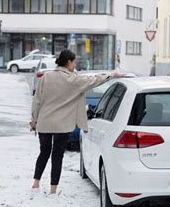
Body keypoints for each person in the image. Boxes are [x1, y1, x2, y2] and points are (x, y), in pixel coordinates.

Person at [30, 49, 121, 194]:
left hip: (44, 122)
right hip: (62, 125)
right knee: (57, 156)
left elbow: (36, 101)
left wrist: (33, 120)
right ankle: (53, 190)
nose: (75, 65)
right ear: (68, 62)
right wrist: (111, 75)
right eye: (74, 62)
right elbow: (94, 80)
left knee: (44, 152)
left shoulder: (46, 78)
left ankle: (36, 182)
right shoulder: (73, 80)